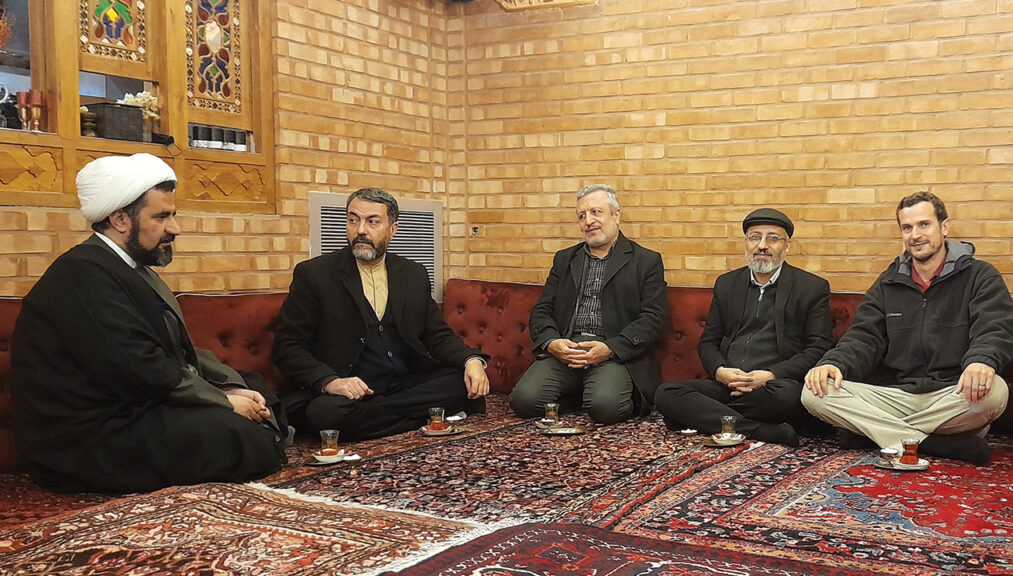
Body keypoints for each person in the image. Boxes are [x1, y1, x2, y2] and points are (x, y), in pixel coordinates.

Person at [11, 153, 285, 493]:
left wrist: (229, 388)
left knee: (255, 388)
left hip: (135, 406)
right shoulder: (82, 275)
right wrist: (224, 401)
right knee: (232, 435)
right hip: (87, 436)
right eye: (162, 216)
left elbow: (175, 353)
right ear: (120, 219)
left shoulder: (129, 270)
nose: (175, 228)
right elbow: (139, 368)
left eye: (173, 215)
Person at [803, 192, 1013, 465]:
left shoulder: (980, 276)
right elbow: (864, 336)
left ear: (945, 226)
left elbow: (995, 326)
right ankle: (933, 442)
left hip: (954, 393)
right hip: (898, 395)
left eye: (924, 225)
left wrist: (981, 361)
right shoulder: (888, 282)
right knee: (813, 393)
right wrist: (834, 363)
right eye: (907, 227)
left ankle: (876, 433)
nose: (915, 234)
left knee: (995, 392)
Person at [272, 187, 489, 440]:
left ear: (392, 230)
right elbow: (288, 347)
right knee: (327, 413)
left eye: (372, 221)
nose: (361, 230)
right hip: (349, 387)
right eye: (353, 220)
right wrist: (331, 381)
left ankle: (381, 419)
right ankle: (428, 416)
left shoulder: (413, 274)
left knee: (462, 382)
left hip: (403, 383)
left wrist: (471, 361)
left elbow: (436, 334)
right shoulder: (315, 275)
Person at [655, 209, 832, 447]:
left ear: (787, 245)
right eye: (754, 237)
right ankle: (759, 430)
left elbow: (818, 348)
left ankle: (708, 417)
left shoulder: (811, 288)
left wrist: (770, 375)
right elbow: (709, 341)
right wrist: (720, 372)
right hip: (728, 384)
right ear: (746, 243)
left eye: (772, 238)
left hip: (772, 387)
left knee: (789, 397)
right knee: (666, 393)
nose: (762, 245)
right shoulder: (727, 284)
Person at [509, 184, 669, 424]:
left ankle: (590, 393)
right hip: (567, 350)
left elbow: (653, 318)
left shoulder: (646, 261)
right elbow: (542, 311)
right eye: (582, 216)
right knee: (524, 402)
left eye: (596, 212)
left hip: (613, 353)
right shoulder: (564, 259)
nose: (588, 221)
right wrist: (553, 343)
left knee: (605, 408)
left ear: (616, 215)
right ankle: (578, 394)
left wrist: (610, 349)